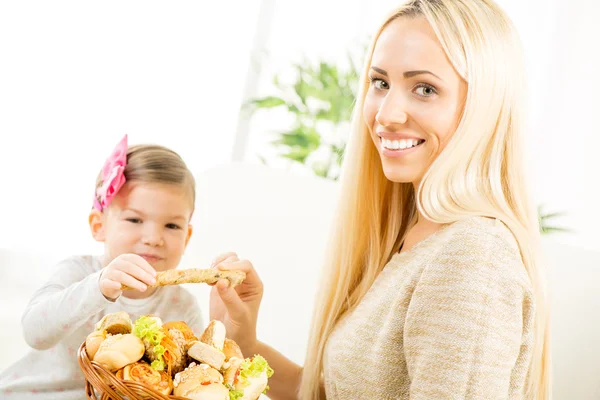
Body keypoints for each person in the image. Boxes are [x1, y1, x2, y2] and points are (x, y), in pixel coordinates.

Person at [209, 0, 551, 399]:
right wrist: (243, 343)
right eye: (381, 83)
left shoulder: (472, 256)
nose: (387, 114)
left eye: (424, 88)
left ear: (485, 108)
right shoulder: (417, 237)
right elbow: (332, 393)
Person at [0, 135, 205, 399]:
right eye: (134, 219)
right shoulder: (78, 272)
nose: (154, 238)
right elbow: (34, 333)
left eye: (172, 226)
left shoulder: (182, 306)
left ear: (186, 237)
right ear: (99, 226)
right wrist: (98, 288)